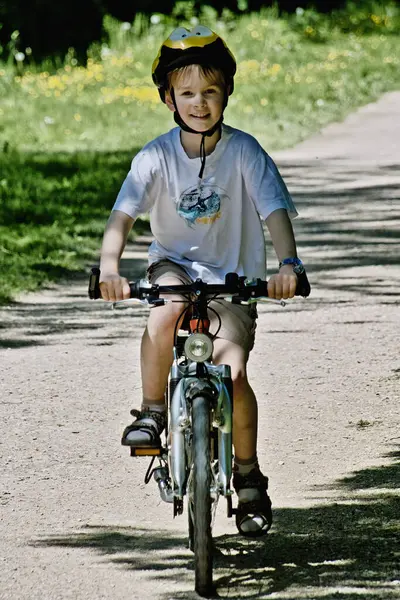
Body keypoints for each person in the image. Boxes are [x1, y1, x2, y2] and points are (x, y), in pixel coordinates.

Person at [98, 25, 309, 537]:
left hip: (233, 283)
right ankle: (151, 411)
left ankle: (248, 476)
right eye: (187, 92)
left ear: (226, 94)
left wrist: (288, 265)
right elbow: (122, 216)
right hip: (176, 268)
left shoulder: (245, 153)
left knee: (232, 374)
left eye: (210, 91)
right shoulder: (155, 157)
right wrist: (109, 268)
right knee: (164, 311)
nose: (199, 102)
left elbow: (275, 211)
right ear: (168, 98)